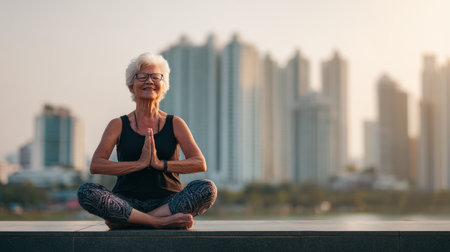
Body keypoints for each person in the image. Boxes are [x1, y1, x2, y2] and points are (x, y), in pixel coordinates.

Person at [77, 53, 217, 230]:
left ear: (163, 85)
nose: (149, 81)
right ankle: (159, 222)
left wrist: (160, 164)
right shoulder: (118, 125)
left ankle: (133, 220)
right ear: (131, 86)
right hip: (127, 201)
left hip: (168, 203)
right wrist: (140, 163)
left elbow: (199, 163)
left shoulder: (175, 123)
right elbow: (96, 165)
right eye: (141, 76)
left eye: (155, 77)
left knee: (207, 188)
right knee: (86, 191)